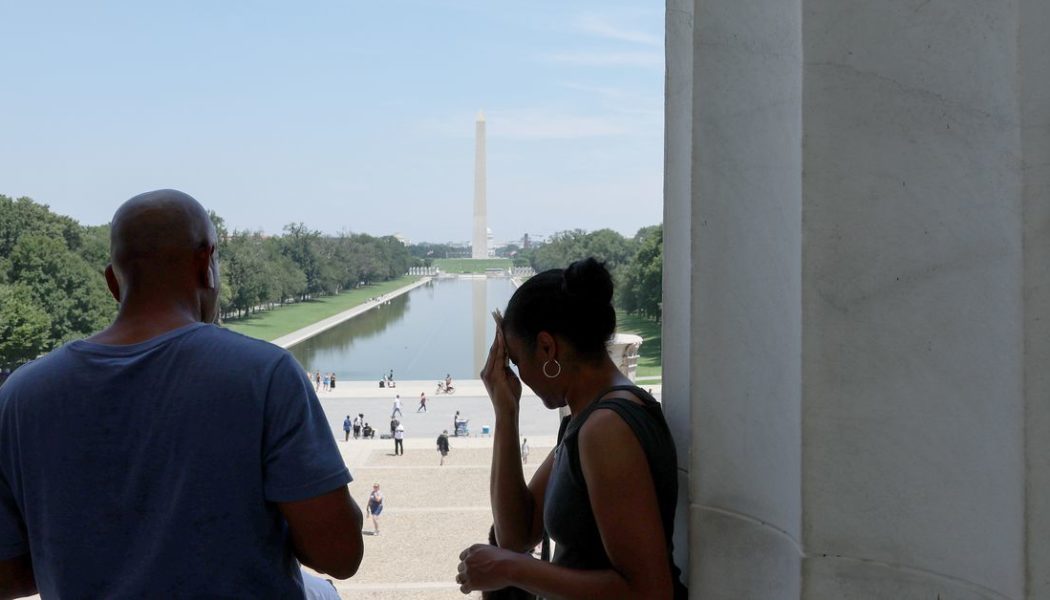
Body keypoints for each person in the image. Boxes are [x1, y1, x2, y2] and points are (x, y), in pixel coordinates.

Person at [0, 190, 364, 598]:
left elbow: (8, 574)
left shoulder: (20, 395)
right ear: (206, 263)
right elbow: (339, 555)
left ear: (111, 281)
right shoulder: (264, 374)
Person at [456, 258, 687, 598]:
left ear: (547, 348)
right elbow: (517, 533)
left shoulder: (607, 428)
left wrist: (510, 568)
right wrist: (506, 412)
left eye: (518, 362)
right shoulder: (585, 421)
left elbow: (650, 592)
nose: (520, 376)